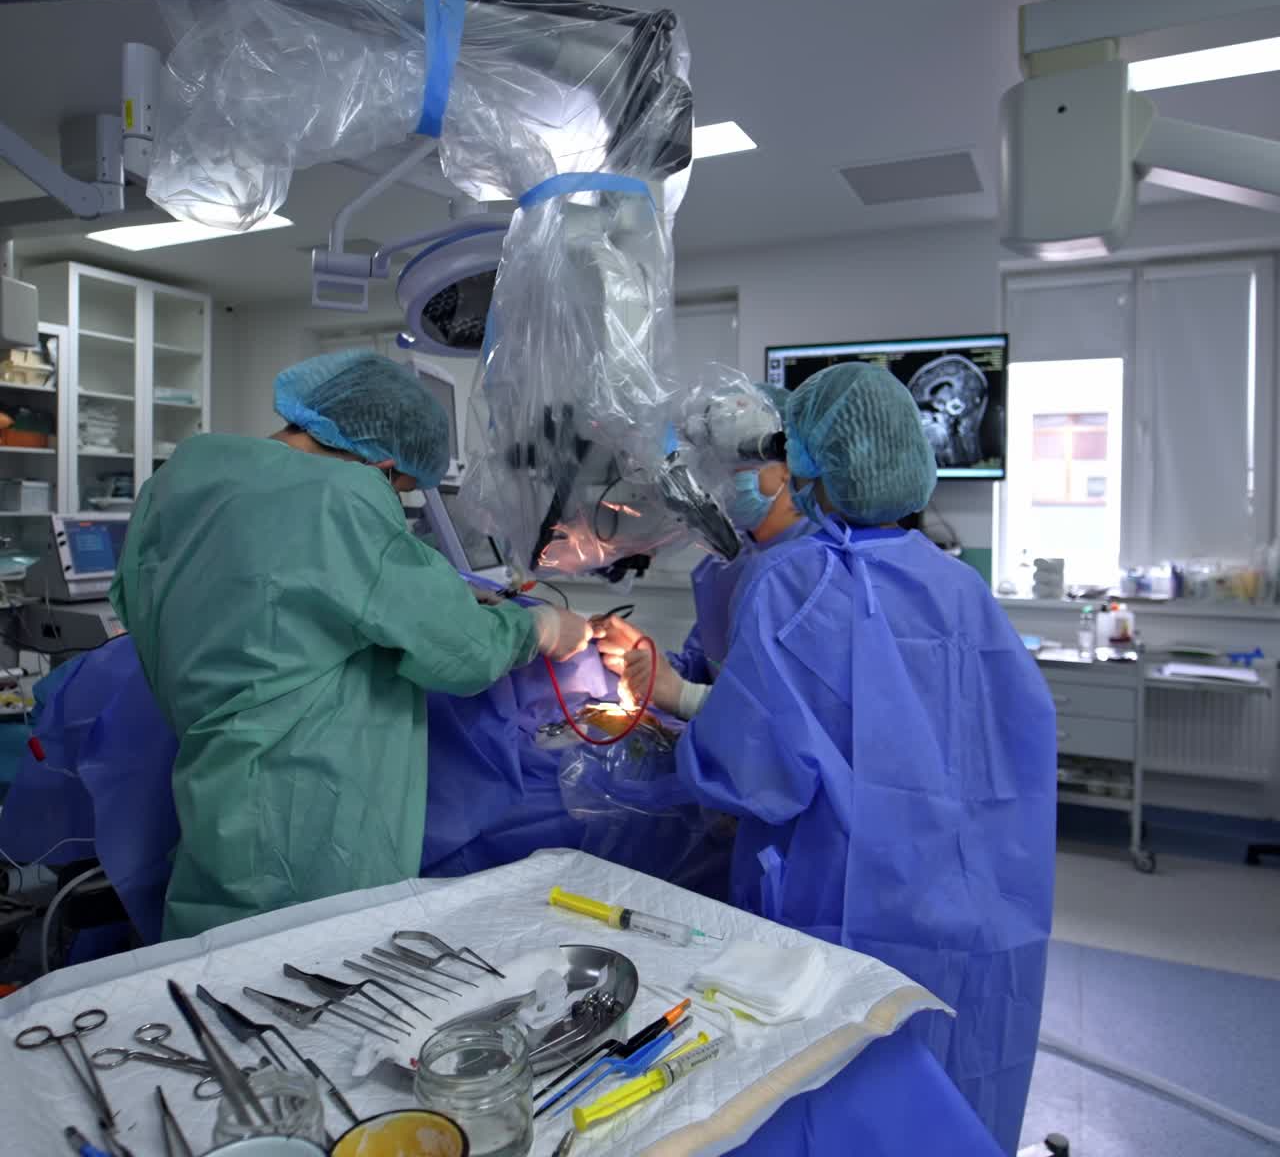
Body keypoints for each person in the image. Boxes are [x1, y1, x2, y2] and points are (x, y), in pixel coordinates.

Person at [669, 362, 1056, 1155]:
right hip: (978, 900)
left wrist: (671, 708)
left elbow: (753, 773)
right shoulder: (961, 588)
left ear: (810, 466)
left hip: (845, 904)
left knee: (836, 1091)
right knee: (948, 1091)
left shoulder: (801, 587)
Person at [110, 350, 592, 939]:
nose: (397, 503)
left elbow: (238, 599)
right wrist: (540, 628)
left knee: (213, 969)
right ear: (383, 465)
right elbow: (465, 653)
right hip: (308, 813)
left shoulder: (179, 480)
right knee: (322, 981)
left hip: (214, 788)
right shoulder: (342, 495)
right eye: (402, 490)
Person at [597, 384, 814, 718]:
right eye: (718, 468)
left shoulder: (818, 571)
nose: (727, 481)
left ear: (790, 464)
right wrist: (651, 662)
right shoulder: (723, 565)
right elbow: (706, 668)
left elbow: (806, 719)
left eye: (742, 466)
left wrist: (683, 696)